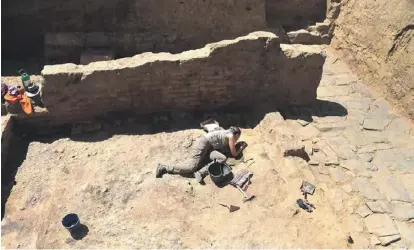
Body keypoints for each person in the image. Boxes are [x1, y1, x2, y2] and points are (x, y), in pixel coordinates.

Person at [156, 126, 247, 183]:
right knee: (191, 167)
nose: (237, 140)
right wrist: (241, 148)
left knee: (222, 158)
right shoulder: (231, 136)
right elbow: (234, 154)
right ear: (235, 135)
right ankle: (165, 167)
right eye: (237, 138)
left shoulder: (226, 131)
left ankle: (200, 173)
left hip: (209, 148)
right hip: (203, 144)